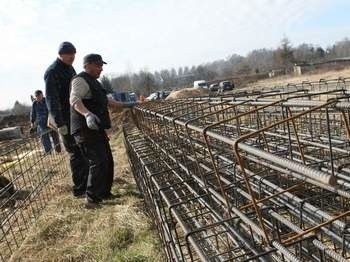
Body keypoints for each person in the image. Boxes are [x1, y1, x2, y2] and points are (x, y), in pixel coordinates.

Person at [70, 54, 132, 209]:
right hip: (85, 129)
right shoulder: (80, 80)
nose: (101, 68)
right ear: (87, 65)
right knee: (97, 162)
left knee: (107, 161)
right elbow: (74, 100)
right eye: (98, 65)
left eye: (101, 65)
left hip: (96, 129)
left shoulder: (94, 83)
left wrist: (127, 105)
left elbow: (108, 102)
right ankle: (91, 200)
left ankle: (103, 193)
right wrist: (87, 114)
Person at [44, 42, 88, 198]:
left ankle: (86, 184)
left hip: (74, 116)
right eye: (69, 54)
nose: (73, 57)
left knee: (82, 151)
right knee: (75, 153)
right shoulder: (52, 72)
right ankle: (80, 190)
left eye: (74, 54)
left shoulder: (70, 69)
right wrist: (60, 123)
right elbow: (51, 99)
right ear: (61, 54)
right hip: (63, 119)